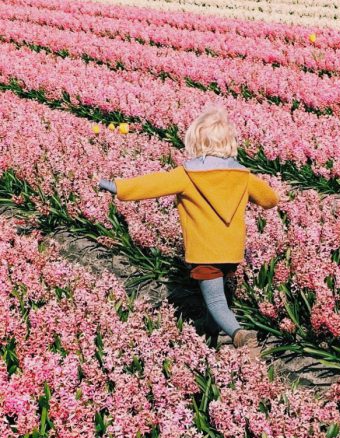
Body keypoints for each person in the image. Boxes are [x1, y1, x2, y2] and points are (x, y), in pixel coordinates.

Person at [98, 106, 279, 348]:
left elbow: (151, 184)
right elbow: (270, 200)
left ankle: (238, 335)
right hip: (232, 251)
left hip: (205, 251)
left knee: (215, 300)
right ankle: (212, 330)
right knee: (217, 294)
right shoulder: (242, 176)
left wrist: (117, 187)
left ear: (195, 143)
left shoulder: (187, 175)